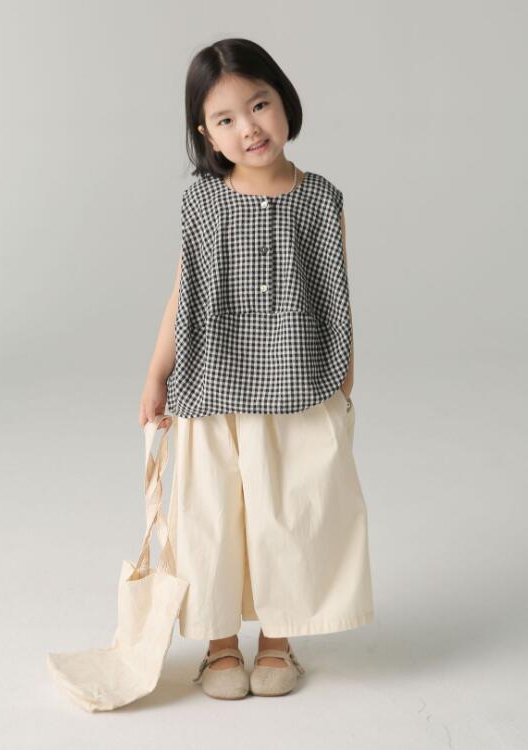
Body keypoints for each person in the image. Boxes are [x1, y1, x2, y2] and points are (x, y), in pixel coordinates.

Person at [138, 37, 374, 700]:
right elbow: (183, 292)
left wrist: (344, 380)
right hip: (213, 383)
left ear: (284, 100)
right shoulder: (202, 202)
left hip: (300, 385)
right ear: (205, 134)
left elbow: (336, 292)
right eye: (226, 119)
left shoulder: (321, 198)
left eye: (259, 105)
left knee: (290, 514)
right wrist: (156, 373)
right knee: (211, 515)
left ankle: (277, 638)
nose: (249, 127)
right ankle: (218, 644)